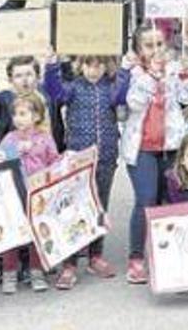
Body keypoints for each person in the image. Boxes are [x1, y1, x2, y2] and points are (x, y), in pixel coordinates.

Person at [44, 53, 132, 283]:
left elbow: (122, 96)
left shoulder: (110, 88)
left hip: (106, 157)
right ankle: (70, 263)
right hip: (78, 159)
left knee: (100, 206)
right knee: (74, 208)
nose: (94, 70)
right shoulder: (73, 88)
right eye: (88, 65)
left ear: (106, 66)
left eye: (99, 65)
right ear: (80, 66)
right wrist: (52, 65)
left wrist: (125, 69)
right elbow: (55, 92)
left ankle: (95, 255)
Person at [122, 25, 188, 284]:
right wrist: (151, 78)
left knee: (172, 197)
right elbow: (133, 103)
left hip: (171, 144)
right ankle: (136, 258)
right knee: (146, 199)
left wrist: (186, 73)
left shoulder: (174, 69)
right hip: (142, 147)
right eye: (149, 45)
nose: (156, 50)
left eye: (159, 44)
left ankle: (170, 253)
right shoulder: (133, 73)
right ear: (139, 50)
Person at [0, 93, 58, 292]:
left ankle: (37, 272)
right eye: (15, 114)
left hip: (37, 195)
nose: (18, 118)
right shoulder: (9, 138)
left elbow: (53, 161)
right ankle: (9, 275)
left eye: (23, 114)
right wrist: (13, 153)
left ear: (36, 116)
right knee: (14, 234)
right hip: (15, 194)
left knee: (37, 233)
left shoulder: (45, 138)